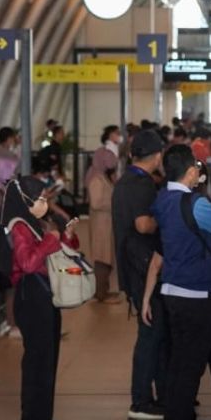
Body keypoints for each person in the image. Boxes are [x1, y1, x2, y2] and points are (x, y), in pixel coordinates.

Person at [143, 145, 211, 420]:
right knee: (189, 365)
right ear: (189, 171)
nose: (200, 170)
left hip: (176, 292)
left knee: (190, 360)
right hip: (195, 294)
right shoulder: (195, 204)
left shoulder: (163, 199)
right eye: (197, 166)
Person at [8, 176, 81, 420]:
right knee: (37, 360)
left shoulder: (37, 224)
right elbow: (27, 262)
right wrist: (51, 239)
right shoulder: (19, 227)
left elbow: (58, 250)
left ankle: (43, 418)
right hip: (32, 297)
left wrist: (67, 237)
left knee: (48, 358)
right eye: (39, 199)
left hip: (46, 294)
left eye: (45, 198)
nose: (44, 203)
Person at [113, 130, 169, 420]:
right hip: (142, 268)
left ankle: (160, 394)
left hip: (131, 265)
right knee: (150, 333)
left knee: (154, 332)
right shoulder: (141, 184)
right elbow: (144, 225)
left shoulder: (125, 181)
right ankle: (141, 400)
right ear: (157, 155)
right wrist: (169, 215)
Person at [86, 128, 122, 302]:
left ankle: (104, 290)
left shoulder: (103, 177)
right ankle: (101, 293)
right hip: (101, 224)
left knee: (106, 257)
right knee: (102, 258)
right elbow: (96, 202)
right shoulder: (96, 179)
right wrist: (113, 203)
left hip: (106, 223)